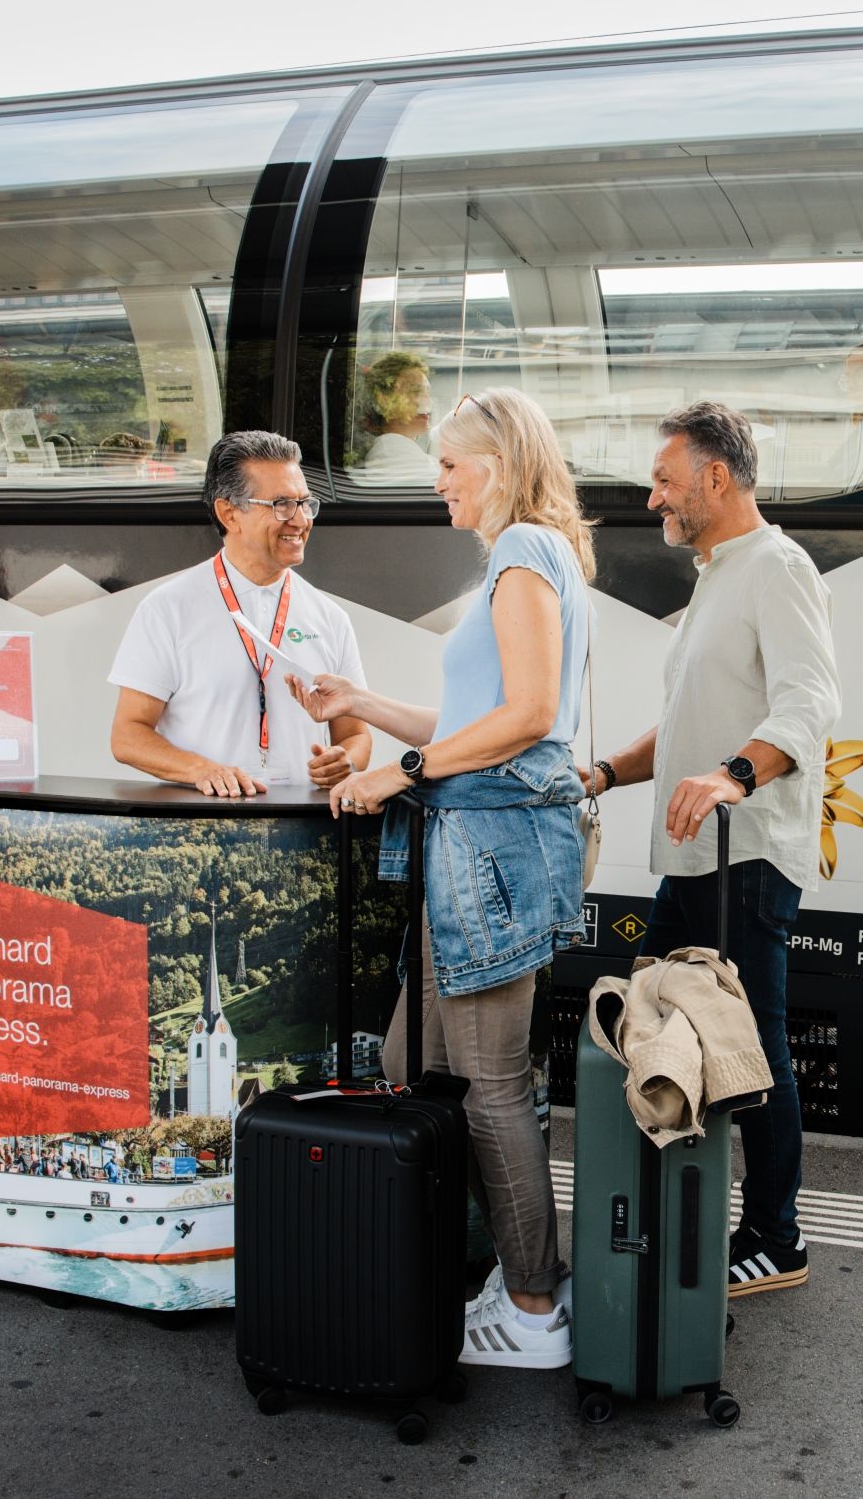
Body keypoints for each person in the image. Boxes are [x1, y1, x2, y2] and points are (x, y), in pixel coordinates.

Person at [288, 387, 591, 1369]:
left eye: (450, 465)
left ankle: (535, 1306)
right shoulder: (528, 559)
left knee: (487, 1085)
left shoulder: (521, 553)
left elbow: (532, 714)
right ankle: (486, 1266)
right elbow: (475, 718)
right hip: (477, 846)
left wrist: (397, 772)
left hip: (492, 848)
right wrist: (363, 702)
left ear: (497, 466)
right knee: (404, 1062)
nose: (437, 481)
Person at [591, 400, 840, 1298]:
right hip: (693, 861)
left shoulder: (776, 566)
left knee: (750, 1049)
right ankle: (678, 1210)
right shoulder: (716, 576)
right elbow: (687, 724)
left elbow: (809, 703)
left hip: (747, 858)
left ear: (716, 478)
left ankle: (778, 1235)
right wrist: (604, 774)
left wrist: (735, 774)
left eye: (665, 480)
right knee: (652, 1031)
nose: (653, 496)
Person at [108, 431, 371, 796]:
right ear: (229, 513)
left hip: (303, 832)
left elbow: (355, 734)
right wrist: (201, 770)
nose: (299, 520)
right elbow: (128, 735)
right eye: (281, 504)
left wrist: (347, 761)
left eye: (305, 503)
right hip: (202, 830)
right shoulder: (168, 608)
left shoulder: (329, 616)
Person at [353, 351, 440, 487]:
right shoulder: (391, 450)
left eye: (427, 392)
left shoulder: (399, 448)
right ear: (385, 400)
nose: (428, 400)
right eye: (416, 391)